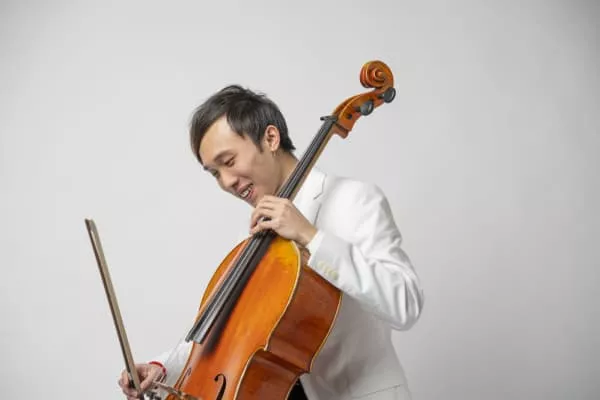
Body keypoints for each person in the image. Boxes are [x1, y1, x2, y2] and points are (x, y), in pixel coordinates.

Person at [118, 85, 424, 400]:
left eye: (229, 161)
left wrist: (310, 236)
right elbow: (221, 336)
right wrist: (161, 368)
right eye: (215, 174)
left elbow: (405, 305)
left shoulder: (354, 200)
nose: (227, 182)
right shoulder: (255, 237)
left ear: (271, 139)